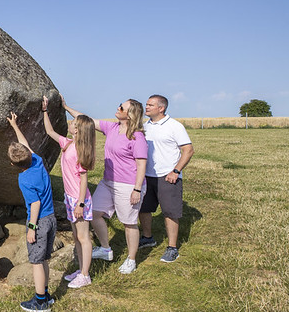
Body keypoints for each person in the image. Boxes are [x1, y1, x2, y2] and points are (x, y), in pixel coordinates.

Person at [62, 97, 148, 274]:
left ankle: (131, 259)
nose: (118, 108)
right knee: (93, 213)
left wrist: (137, 189)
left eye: (121, 107)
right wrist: (65, 107)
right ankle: (105, 249)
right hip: (108, 181)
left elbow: (141, 164)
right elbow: (86, 120)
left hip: (129, 185)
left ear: (130, 115)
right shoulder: (112, 127)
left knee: (129, 222)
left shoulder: (137, 137)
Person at [41, 95, 96, 289]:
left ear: (79, 130)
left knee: (83, 238)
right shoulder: (68, 144)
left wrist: (80, 203)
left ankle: (85, 275)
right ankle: (81, 270)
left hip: (79, 200)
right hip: (71, 198)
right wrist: (45, 110)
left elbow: (83, 180)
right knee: (76, 238)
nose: (71, 124)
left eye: (74, 123)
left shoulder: (80, 151)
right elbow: (49, 131)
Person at [7, 111, 56, 312]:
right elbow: (25, 146)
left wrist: (31, 228)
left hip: (39, 221)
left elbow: (34, 204)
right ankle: (46, 294)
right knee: (43, 259)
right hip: (51, 217)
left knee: (36, 262)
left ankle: (40, 303)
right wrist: (15, 126)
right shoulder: (37, 161)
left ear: (13, 165)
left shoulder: (24, 179)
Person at [139, 95, 195, 263]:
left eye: (150, 105)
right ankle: (148, 237)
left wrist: (176, 171)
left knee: (170, 212)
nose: (146, 107)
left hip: (168, 176)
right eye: (147, 104)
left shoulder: (174, 126)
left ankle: (172, 248)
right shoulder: (144, 126)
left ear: (161, 108)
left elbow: (188, 150)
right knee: (144, 209)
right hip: (147, 176)